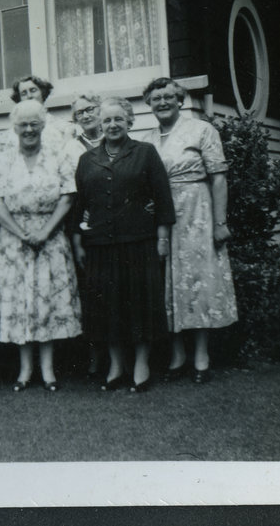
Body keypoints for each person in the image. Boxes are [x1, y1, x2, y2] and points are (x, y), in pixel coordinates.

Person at [73, 97, 175, 393]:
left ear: (130, 121)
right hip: (100, 244)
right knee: (107, 306)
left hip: (138, 242)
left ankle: (141, 364)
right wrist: (78, 242)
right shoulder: (87, 159)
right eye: (107, 120)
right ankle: (116, 365)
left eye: (119, 119)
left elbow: (163, 200)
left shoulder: (145, 152)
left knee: (140, 304)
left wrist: (163, 238)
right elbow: (79, 205)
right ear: (100, 124)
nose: (113, 125)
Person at [141, 78, 238, 384]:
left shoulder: (201, 130)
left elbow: (219, 178)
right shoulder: (146, 140)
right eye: (156, 98)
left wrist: (220, 224)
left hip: (197, 212)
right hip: (161, 220)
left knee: (198, 281)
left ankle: (201, 356)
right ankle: (177, 355)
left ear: (180, 100)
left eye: (169, 97)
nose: (163, 102)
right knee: (166, 281)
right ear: (149, 104)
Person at [0, 99, 82, 392]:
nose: (29, 129)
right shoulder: (2, 158)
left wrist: (44, 231)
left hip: (50, 237)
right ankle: (25, 369)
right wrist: (21, 233)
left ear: (42, 126)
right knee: (20, 301)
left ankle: (48, 369)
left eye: (34, 124)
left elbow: (68, 196)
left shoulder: (57, 155)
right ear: (15, 128)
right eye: (23, 125)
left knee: (46, 300)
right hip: (13, 240)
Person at [59, 93, 105, 378]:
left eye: (90, 110)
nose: (86, 116)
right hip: (81, 224)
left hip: (115, 224)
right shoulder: (69, 148)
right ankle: (95, 355)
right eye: (80, 113)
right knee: (90, 291)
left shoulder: (117, 136)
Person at [7, 75, 75, 152]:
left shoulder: (63, 127)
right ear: (19, 99)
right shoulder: (15, 129)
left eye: (33, 90)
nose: (29, 96)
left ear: (42, 92)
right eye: (24, 93)